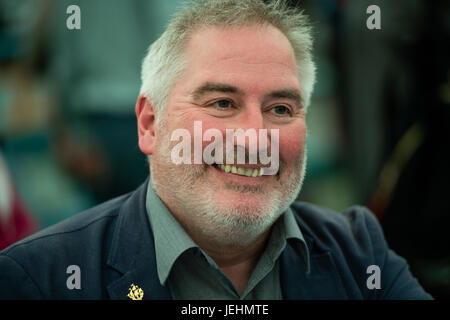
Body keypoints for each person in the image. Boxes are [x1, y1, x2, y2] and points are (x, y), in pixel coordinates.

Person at [0, 0, 432, 299]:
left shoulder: (359, 254)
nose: (253, 138)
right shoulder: (39, 278)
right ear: (150, 124)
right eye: (222, 103)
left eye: (280, 108)